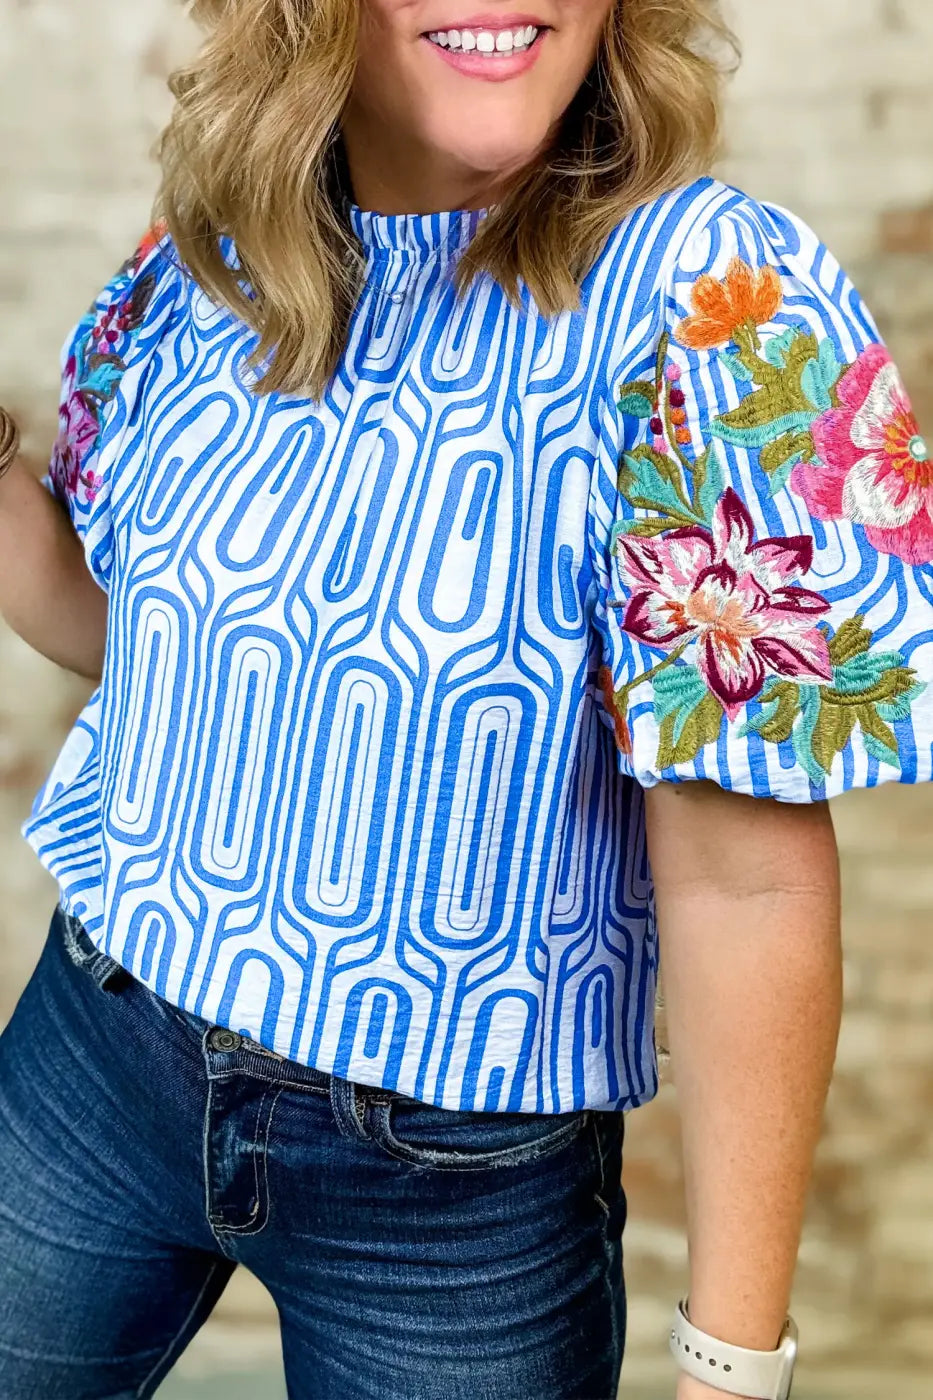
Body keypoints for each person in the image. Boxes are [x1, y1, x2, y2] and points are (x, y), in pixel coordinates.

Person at [0, 2, 930, 1397]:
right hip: (99, 1048)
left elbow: (747, 888)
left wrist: (730, 1364)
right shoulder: (222, 244)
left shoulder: (713, 300)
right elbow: (131, 633)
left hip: (454, 1192)